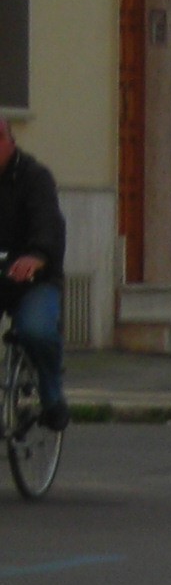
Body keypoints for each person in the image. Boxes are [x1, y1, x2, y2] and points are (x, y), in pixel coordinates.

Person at [0, 116, 70, 433]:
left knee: (37, 331)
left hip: (34, 279)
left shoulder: (35, 177)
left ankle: (52, 395)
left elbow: (48, 226)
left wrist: (36, 256)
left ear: (7, 142)